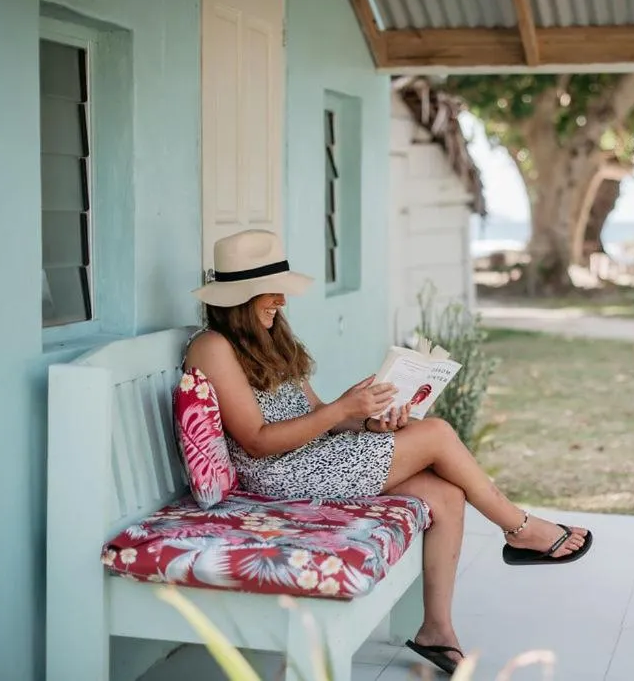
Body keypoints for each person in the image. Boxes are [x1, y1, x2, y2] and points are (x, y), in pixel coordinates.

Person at [184, 230, 593, 675]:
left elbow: (318, 413)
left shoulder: (270, 337)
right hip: (275, 472)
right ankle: (519, 527)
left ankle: (436, 630)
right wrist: (341, 410)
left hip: (310, 455)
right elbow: (257, 441)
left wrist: (364, 417)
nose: (281, 300)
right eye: (271, 292)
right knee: (435, 433)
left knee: (444, 492)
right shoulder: (213, 347)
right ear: (239, 297)